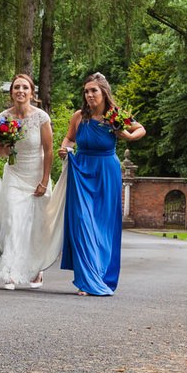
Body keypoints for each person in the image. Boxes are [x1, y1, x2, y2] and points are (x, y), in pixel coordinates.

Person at [58, 72, 146, 296]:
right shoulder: (78, 117)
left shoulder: (114, 116)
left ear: (104, 92)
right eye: (86, 91)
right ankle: (86, 278)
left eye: (93, 90)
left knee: (104, 227)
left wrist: (126, 136)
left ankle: (97, 275)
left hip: (107, 172)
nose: (89, 95)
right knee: (82, 222)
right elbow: (69, 139)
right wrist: (64, 148)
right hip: (82, 171)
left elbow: (141, 129)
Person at [0, 73, 65, 289]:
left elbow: (49, 150)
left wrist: (45, 180)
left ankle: (36, 270)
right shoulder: (2, 118)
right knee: (13, 221)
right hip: (14, 174)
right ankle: (11, 271)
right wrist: (5, 149)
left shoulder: (41, 117)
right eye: (16, 87)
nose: (20, 91)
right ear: (11, 93)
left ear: (31, 93)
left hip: (37, 173)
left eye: (25, 88)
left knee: (37, 225)